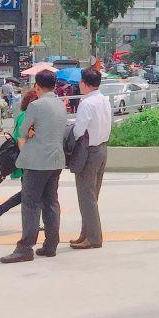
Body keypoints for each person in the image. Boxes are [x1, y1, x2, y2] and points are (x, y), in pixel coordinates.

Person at [0, 69, 65, 264]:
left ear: (37, 86)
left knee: (30, 204)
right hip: (56, 161)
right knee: (51, 202)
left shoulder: (35, 105)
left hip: (37, 162)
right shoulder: (61, 105)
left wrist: (31, 132)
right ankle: (51, 244)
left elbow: (22, 130)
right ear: (54, 86)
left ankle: (25, 248)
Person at [70, 67, 112, 250]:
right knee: (92, 195)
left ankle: (93, 238)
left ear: (85, 84)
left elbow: (79, 131)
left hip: (89, 151)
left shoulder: (86, 103)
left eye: (80, 82)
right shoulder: (104, 100)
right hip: (102, 149)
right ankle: (85, 234)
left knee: (86, 196)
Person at [0, 89, 37, 226]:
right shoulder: (27, 116)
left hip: (23, 157)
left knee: (29, 192)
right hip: (25, 158)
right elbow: (22, 139)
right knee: (30, 193)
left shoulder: (22, 115)